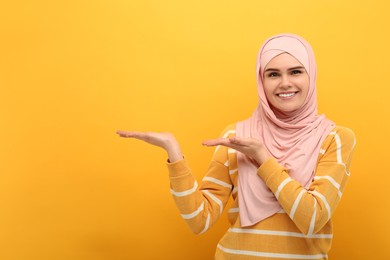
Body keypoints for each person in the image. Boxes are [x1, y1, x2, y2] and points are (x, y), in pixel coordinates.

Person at [116, 33, 356, 259]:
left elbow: (312, 218)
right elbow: (199, 220)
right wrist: (174, 155)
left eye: (295, 72)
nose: (285, 83)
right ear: (261, 81)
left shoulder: (334, 138)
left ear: (311, 75)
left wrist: (263, 158)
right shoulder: (235, 137)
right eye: (272, 74)